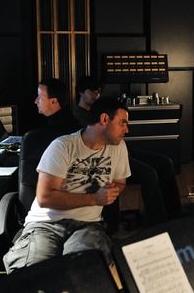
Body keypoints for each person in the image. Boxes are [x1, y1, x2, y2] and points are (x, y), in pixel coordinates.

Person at [2, 96, 131, 273]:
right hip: (46, 224)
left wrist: (112, 192)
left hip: (88, 225)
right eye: (122, 123)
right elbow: (45, 198)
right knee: (33, 275)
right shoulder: (63, 146)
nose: (127, 129)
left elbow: (120, 181)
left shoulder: (118, 147)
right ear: (104, 119)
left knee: (83, 273)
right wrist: (95, 199)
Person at [74, 75, 182, 224]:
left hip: (121, 150)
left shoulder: (102, 109)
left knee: (165, 163)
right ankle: (158, 221)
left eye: (98, 92)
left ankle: (175, 213)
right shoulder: (77, 115)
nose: (96, 95)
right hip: (106, 155)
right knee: (149, 173)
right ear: (81, 92)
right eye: (92, 92)